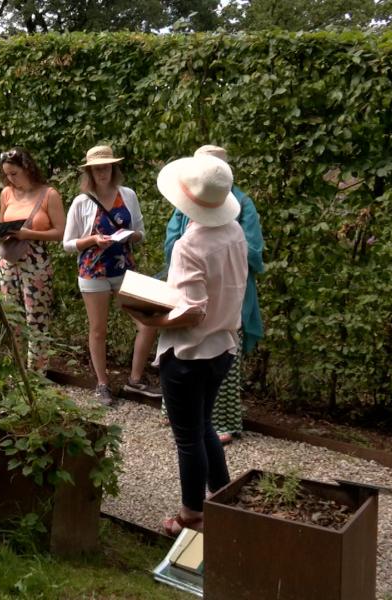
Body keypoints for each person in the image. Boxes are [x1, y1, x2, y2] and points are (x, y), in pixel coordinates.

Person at [124, 153, 247, 536]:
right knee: (204, 425)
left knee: (188, 438)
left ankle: (191, 516)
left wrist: (150, 319)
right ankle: (223, 498)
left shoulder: (191, 244)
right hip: (223, 347)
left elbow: (192, 312)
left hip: (189, 354)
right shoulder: (234, 232)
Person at [163, 145, 265, 445]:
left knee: (215, 347)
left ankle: (221, 423)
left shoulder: (241, 206)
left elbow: (254, 250)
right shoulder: (187, 201)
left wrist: (206, 255)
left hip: (226, 291)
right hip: (194, 285)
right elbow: (172, 240)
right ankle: (187, 419)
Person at [62, 145, 160, 406]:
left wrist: (130, 236)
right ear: (90, 172)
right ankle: (102, 383)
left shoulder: (127, 195)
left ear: (113, 168)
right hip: (93, 272)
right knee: (98, 330)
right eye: (96, 169)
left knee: (148, 323)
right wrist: (93, 239)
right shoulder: (82, 202)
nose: (102, 172)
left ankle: (135, 379)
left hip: (124, 267)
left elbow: (140, 232)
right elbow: (68, 243)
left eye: (105, 167)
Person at [0, 148, 65, 371]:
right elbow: (0, 223)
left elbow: (61, 233)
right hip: (8, 262)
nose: (10, 179)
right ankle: (16, 373)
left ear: (27, 169)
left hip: (36, 263)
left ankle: (36, 375)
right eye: (7, 174)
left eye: (14, 173)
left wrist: (30, 234)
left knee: (36, 320)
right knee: (12, 318)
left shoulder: (49, 194)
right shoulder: (6, 193)